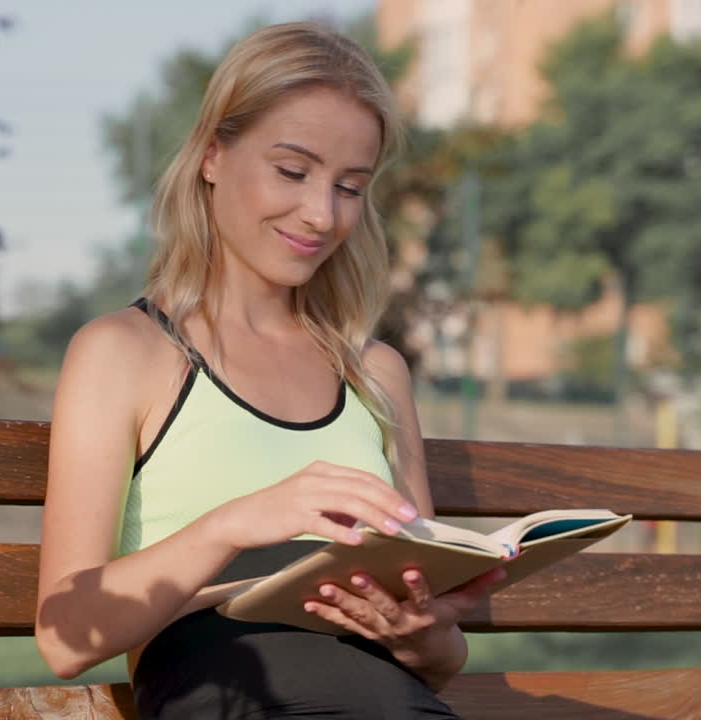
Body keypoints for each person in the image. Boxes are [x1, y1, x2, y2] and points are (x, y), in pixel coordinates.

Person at [35, 21, 504, 719]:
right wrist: (236, 524)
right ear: (213, 154)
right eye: (293, 171)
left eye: (350, 186)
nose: (321, 214)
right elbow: (67, 637)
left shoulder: (375, 374)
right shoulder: (123, 353)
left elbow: (441, 660)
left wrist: (422, 635)